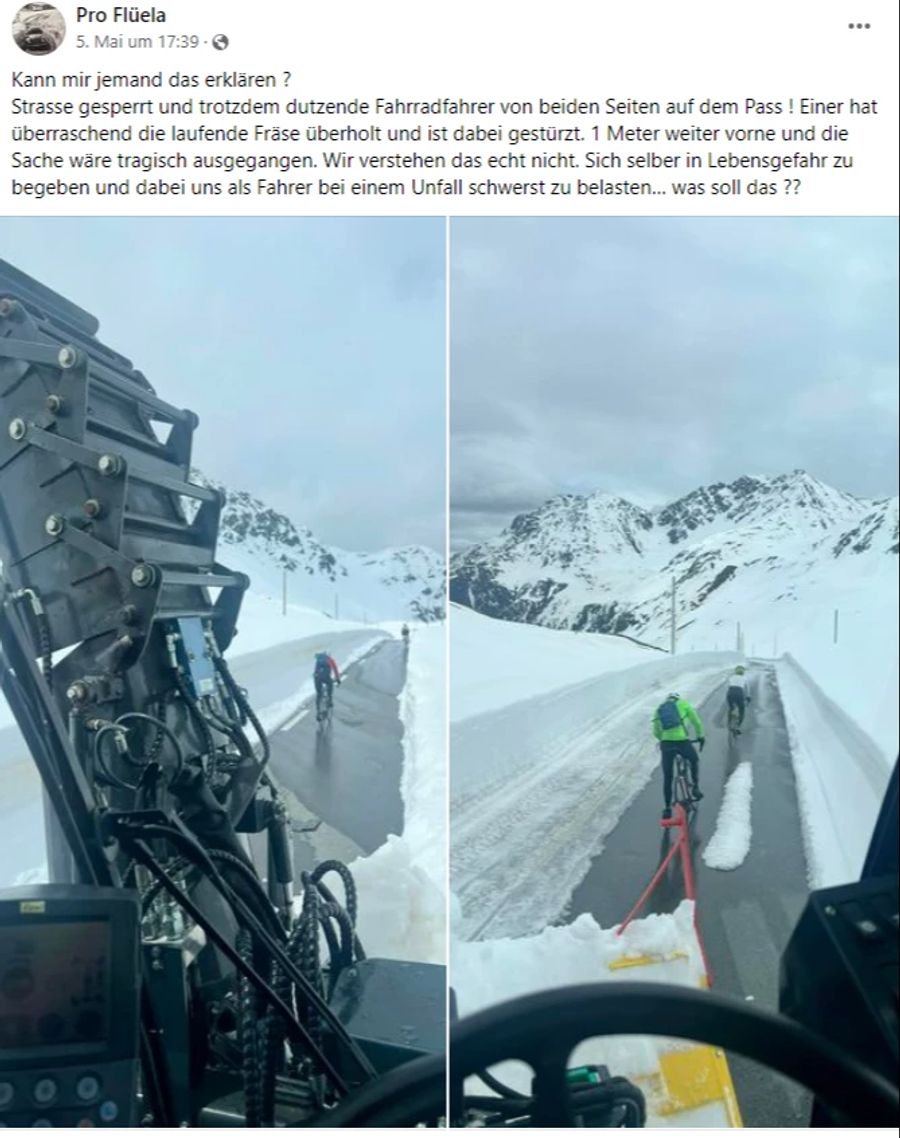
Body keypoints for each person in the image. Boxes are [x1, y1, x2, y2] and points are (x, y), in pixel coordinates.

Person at [652, 693, 705, 819]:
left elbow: (656, 731)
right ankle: (695, 788)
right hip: (682, 741)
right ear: (677, 698)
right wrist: (700, 736)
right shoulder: (684, 704)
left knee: (668, 776)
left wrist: (663, 739)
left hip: (666, 743)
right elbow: (696, 721)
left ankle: (667, 808)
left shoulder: (659, 708)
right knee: (694, 759)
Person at [313, 650, 341, 715]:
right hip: (326, 678)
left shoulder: (318, 660)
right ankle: (330, 700)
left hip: (317, 678)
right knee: (330, 685)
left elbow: (315, 671)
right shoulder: (330, 660)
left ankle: (318, 712)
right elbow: (335, 669)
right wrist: (337, 679)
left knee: (319, 694)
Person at [726, 665, 751, 731]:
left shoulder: (731, 677)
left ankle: (729, 723)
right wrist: (748, 698)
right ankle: (737, 726)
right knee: (741, 710)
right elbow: (747, 689)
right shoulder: (745, 678)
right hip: (740, 693)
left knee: (731, 708)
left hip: (730, 692)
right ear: (743, 672)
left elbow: (728, 686)